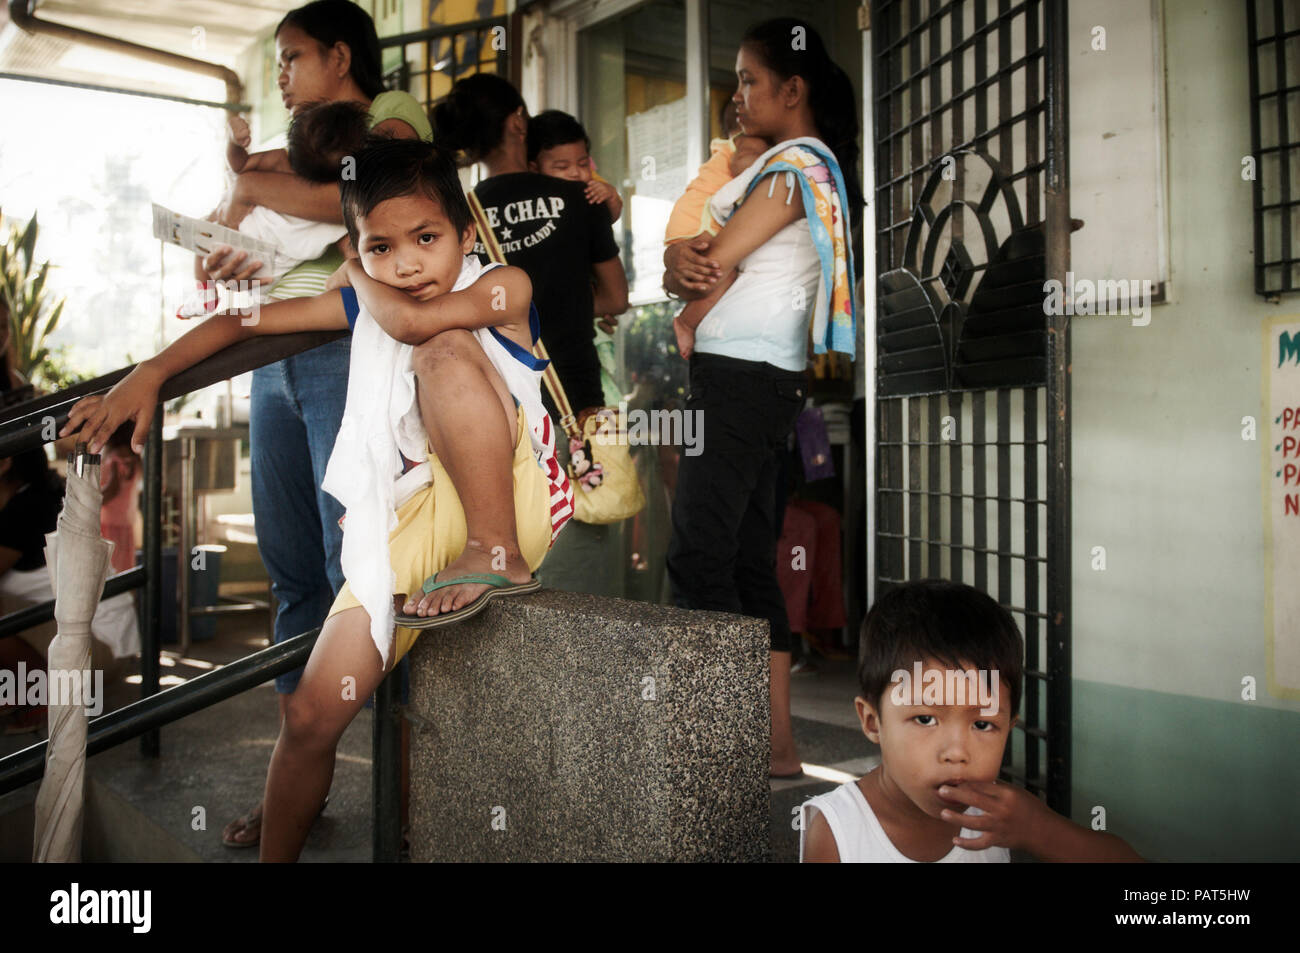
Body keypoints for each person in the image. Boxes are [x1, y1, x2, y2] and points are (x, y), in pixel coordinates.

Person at [61, 138, 570, 862]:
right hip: (427, 510)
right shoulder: (375, 296)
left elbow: (417, 326)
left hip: (513, 493)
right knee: (309, 713)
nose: (408, 264)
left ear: (463, 232)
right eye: (382, 245)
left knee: (443, 349)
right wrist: (147, 373)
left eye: (427, 238)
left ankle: (495, 553)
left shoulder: (503, 286)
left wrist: (357, 273)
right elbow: (244, 319)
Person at [192, 0, 433, 849]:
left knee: (365, 580)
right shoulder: (289, 154)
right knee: (293, 577)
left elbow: (371, 204)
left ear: (340, 55)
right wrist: (222, 232)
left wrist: (251, 183)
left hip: (343, 354)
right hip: (269, 360)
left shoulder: (393, 116)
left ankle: (410, 804)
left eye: (293, 57)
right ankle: (297, 785)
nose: (283, 75)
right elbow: (241, 253)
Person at [661, 18, 862, 778]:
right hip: (755, 380)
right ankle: (775, 750)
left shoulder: (793, 168)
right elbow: (704, 267)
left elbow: (713, 262)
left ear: (792, 89)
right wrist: (685, 273)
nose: (738, 95)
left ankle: (711, 752)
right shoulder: (794, 167)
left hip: (740, 382)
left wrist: (685, 277)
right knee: (747, 562)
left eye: (748, 80)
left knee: (696, 556)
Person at [434, 74, 628, 597]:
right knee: (574, 573)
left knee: (496, 563)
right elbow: (615, 300)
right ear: (519, 122)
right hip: (572, 402)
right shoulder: (578, 198)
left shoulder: (458, 215)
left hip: (488, 410)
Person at [800, 580, 1143, 862]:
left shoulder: (1000, 817)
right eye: (925, 719)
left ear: (1009, 728)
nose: (956, 752)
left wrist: (1038, 829)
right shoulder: (838, 833)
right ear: (873, 722)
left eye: (982, 725)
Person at [180, 101, 372, 318]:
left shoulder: (280, 162)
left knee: (202, 234)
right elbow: (350, 247)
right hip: (269, 272)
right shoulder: (335, 217)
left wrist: (233, 142)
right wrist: (361, 277)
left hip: (239, 245)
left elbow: (239, 165)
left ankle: (205, 296)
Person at [663, 101, 766, 358]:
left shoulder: (725, 148)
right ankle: (686, 321)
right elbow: (745, 165)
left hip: (690, 216)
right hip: (702, 220)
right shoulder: (750, 141)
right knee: (721, 275)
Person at [527, 109, 624, 223]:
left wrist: (611, 198)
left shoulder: (588, 190)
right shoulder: (530, 200)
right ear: (534, 169)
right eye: (562, 167)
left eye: (583, 164)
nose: (576, 173)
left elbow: (608, 220)